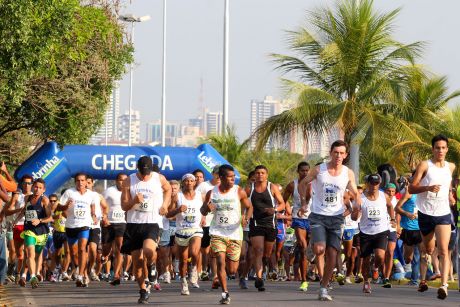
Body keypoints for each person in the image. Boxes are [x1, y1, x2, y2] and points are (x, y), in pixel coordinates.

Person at [298, 140, 361, 301]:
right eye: (336, 152)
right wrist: (304, 202)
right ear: (331, 153)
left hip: (337, 217)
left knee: (333, 255)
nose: (338, 156)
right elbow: (303, 183)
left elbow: (354, 191)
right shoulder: (320, 170)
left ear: (346, 155)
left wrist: (357, 206)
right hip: (319, 215)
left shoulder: (348, 172)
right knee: (320, 249)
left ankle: (323, 288)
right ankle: (314, 247)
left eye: (342, 153)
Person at [408, 134, 455, 300]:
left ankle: (443, 285)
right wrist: (427, 187)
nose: (440, 150)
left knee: (443, 249)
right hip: (425, 212)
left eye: (443, 148)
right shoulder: (425, 165)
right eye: (437, 148)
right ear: (432, 149)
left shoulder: (451, 167)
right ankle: (423, 278)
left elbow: (448, 184)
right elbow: (411, 189)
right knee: (428, 249)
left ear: (446, 149)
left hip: (443, 213)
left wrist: (450, 194)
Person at [121, 156, 171, 304]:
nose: (145, 175)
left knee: (149, 250)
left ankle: (153, 266)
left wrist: (165, 205)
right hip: (134, 224)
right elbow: (124, 206)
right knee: (137, 266)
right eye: (143, 172)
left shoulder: (159, 178)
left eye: (147, 172)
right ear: (138, 168)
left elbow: (168, 190)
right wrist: (133, 201)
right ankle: (143, 290)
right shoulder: (128, 181)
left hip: (152, 222)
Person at [201, 164, 252, 305]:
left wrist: (246, 218)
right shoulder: (212, 193)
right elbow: (203, 211)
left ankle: (228, 278)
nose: (232, 180)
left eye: (233, 177)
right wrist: (206, 208)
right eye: (230, 177)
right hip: (217, 231)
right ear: (221, 177)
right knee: (220, 261)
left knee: (232, 269)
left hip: (235, 233)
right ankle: (225, 293)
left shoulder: (239, 191)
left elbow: (249, 207)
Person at [351, 174, 395, 294]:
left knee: (380, 256)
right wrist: (356, 211)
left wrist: (393, 219)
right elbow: (354, 217)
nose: (374, 186)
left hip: (381, 231)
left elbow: (390, 206)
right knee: (365, 260)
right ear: (368, 184)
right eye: (372, 183)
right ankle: (366, 281)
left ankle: (375, 268)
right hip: (366, 232)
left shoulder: (383, 195)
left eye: (377, 183)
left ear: (379, 184)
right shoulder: (360, 198)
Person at [246, 165, 285, 292]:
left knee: (266, 254)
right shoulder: (249, 188)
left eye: (262, 173)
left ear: (267, 175)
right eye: (257, 173)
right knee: (258, 250)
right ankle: (259, 278)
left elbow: (282, 203)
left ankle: (262, 269)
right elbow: (241, 201)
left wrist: (274, 210)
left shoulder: (271, 187)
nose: (260, 175)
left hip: (270, 224)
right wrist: (244, 216)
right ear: (255, 175)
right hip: (256, 223)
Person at [59, 173, 99, 287]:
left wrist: (94, 216)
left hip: (85, 225)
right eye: (78, 180)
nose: (80, 183)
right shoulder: (69, 193)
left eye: (82, 180)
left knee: (82, 249)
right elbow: (59, 208)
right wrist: (66, 206)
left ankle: (80, 275)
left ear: (87, 182)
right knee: (73, 252)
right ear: (75, 182)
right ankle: (83, 271)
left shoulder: (92, 195)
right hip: (71, 226)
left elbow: (93, 207)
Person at [167, 173, 204, 294]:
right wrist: (178, 210)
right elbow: (168, 214)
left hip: (195, 229)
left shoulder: (200, 196)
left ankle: (194, 269)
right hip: (181, 230)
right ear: (183, 183)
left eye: (191, 181)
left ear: (194, 183)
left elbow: (205, 209)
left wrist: (204, 216)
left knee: (194, 252)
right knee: (182, 260)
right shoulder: (178, 197)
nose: (189, 183)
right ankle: (183, 282)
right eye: (186, 181)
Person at [17, 179, 52, 288]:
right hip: (29, 230)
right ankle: (32, 277)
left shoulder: (45, 200)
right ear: (33, 187)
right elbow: (24, 210)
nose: (37, 189)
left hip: (42, 232)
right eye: (36, 187)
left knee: (37, 256)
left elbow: (50, 217)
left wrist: (39, 220)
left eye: (40, 188)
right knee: (30, 253)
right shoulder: (27, 198)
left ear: (44, 190)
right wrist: (16, 219)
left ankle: (31, 273)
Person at [283, 161, 310, 291]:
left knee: (315, 250)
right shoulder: (292, 185)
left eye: (307, 171)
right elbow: (283, 201)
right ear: (298, 171)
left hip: (314, 218)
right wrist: (286, 211)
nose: (305, 173)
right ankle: (304, 280)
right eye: (302, 171)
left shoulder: (314, 184)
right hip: (298, 218)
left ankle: (321, 276)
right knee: (303, 247)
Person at [102, 173, 128, 286]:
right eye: (121, 180)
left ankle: (117, 274)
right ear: (116, 181)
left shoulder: (129, 191)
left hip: (122, 223)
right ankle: (105, 256)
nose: (123, 183)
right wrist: (104, 217)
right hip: (109, 223)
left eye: (125, 180)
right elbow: (101, 205)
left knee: (120, 248)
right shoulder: (109, 191)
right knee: (106, 249)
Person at [6, 174, 33, 285]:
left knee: (28, 252)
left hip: (30, 227)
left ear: (32, 184)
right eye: (25, 183)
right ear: (22, 184)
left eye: (29, 183)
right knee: (19, 254)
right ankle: (16, 272)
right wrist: (18, 210)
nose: (27, 185)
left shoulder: (35, 196)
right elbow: (9, 210)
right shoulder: (17, 196)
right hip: (17, 226)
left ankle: (23, 275)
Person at [196, 165, 220, 286]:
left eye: (221, 174)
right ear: (213, 174)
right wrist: (202, 216)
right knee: (204, 249)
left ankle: (215, 274)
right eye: (217, 174)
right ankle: (203, 270)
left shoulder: (225, 187)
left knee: (215, 249)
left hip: (219, 223)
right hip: (205, 221)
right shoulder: (204, 186)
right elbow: (197, 202)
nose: (219, 176)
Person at [86, 176, 108, 282]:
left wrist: (104, 215)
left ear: (92, 183)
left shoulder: (97, 196)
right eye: (85, 183)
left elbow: (105, 207)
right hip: (81, 226)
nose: (87, 185)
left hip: (95, 226)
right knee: (81, 251)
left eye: (89, 183)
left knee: (93, 249)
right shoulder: (78, 195)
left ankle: (90, 268)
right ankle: (83, 271)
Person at [48, 194, 71, 282]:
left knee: (67, 252)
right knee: (57, 254)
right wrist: (54, 217)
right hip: (57, 233)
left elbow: (69, 216)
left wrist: (65, 211)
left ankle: (64, 272)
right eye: (51, 201)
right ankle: (55, 272)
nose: (52, 202)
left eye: (54, 201)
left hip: (66, 232)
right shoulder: (51, 208)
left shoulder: (64, 208)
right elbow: (49, 217)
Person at [382, 183, 398, 288]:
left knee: (390, 252)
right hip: (381, 228)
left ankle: (386, 277)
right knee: (381, 254)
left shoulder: (395, 200)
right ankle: (380, 273)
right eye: (389, 191)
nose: (391, 193)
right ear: (385, 191)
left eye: (393, 191)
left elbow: (398, 213)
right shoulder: (380, 199)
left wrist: (398, 226)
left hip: (392, 228)